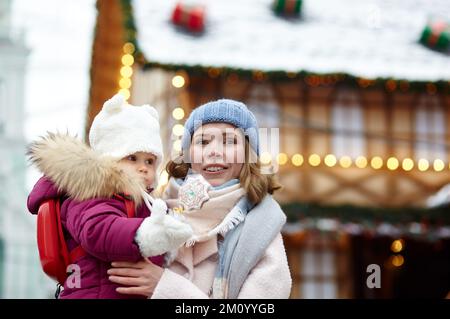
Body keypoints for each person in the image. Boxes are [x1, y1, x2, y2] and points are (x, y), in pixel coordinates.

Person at [108, 99, 292, 298]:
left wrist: (165, 288)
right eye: (203, 141)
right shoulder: (153, 210)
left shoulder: (262, 229)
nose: (214, 151)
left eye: (229, 141)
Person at [26, 94, 192, 298]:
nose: (143, 168)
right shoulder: (90, 192)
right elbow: (97, 230)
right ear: (110, 160)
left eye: (150, 161)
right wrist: (145, 234)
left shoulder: (142, 202)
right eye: (133, 158)